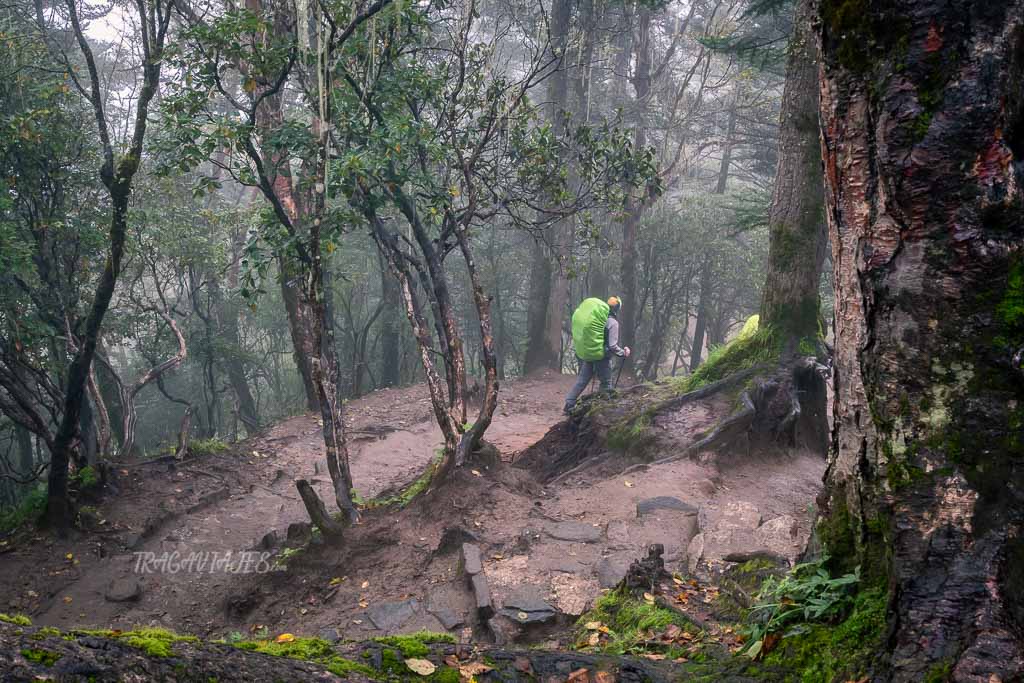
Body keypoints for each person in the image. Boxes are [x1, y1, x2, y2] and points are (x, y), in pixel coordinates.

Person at [563, 296, 631, 414]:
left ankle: (569, 404)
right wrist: (623, 353)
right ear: (617, 308)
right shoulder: (613, 322)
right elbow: (612, 346)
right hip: (602, 357)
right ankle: (602, 409)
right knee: (606, 383)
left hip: (590, 353)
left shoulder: (597, 318)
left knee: (582, 380)